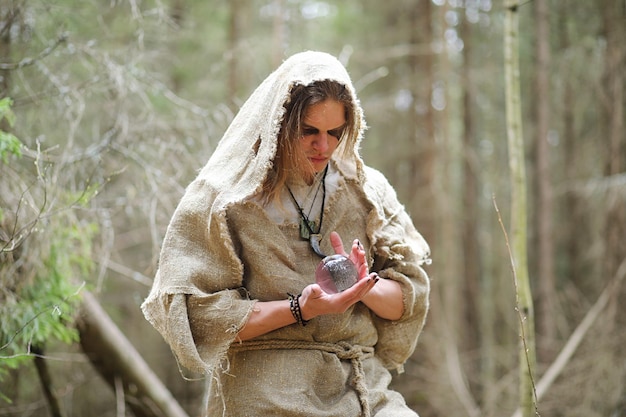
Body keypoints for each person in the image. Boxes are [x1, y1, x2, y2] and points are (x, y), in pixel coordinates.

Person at [141, 50, 431, 417]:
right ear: (279, 122)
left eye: (334, 133)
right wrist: (299, 309)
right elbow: (197, 317)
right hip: (265, 389)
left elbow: (409, 299)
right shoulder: (224, 199)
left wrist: (362, 284)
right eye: (308, 131)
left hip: (362, 388)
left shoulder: (369, 192)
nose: (322, 146)